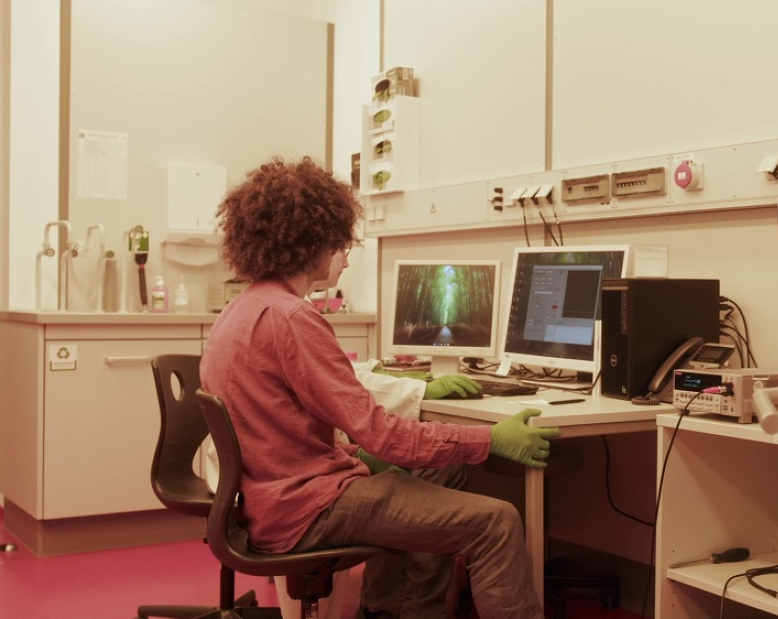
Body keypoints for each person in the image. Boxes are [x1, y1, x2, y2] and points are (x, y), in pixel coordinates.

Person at [201, 156, 559, 619]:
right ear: (311, 244)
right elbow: (385, 437)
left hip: (268, 500)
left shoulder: (242, 309)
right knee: (496, 521)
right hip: (308, 510)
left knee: (431, 476)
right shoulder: (293, 319)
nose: (347, 255)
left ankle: (393, 611)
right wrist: (491, 438)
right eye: (341, 243)